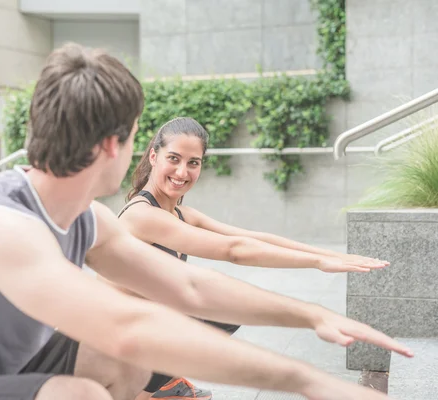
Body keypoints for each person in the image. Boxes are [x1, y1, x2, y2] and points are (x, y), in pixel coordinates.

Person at [0, 43, 411, 400]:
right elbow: (128, 322)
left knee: (124, 360)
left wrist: (312, 315)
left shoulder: (85, 217)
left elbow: (188, 285)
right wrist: (309, 381)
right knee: (78, 391)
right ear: (115, 143)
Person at [112, 117, 391, 400]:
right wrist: (317, 263)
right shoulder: (142, 215)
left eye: (193, 162)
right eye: (174, 158)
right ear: (153, 156)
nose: (182, 171)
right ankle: (140, 393)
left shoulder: (181, 214)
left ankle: (163, 383)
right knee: (215, 305)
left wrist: (328, 255)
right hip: (115, 342)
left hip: (147, 330)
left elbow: (251, 237)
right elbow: (235, 250)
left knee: (222, 310)